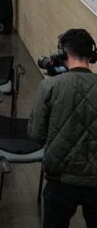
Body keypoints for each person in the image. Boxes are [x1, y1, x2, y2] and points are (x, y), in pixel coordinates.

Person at [29, 28, 97, 227]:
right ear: (91, 55)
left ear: (63, 54)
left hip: (60, 177)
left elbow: (36, 134)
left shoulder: (49, 86)